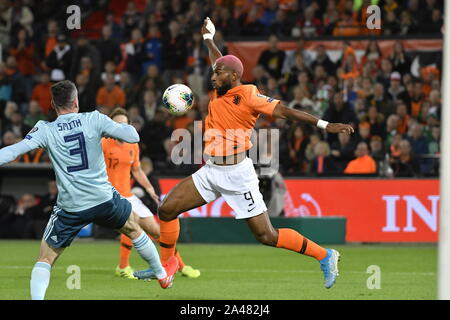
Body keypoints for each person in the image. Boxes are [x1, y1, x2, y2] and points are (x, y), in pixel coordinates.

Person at [133, 18, 354, 289]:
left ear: (234, 76)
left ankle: (325, 255)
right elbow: (219, 61)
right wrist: (208, 39)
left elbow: (285, 111)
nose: (212, 77)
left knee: (267, 235)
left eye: (218, 74)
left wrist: (325, 125)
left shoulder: (248, 94)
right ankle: (166, 266)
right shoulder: (221, 87)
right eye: (214, 73)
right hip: (211, 171)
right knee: (166, 209)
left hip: (238, 175)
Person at [0, 80, 178, 300]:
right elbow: (133, 136)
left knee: (45, 258)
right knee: (134, 229)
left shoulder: (44, 129)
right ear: (76, 101)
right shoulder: (94, 119)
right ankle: (161, 275)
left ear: (54, 106)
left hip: (71, 206)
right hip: (103, 199)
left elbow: (14, 151)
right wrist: (124, 125)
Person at [102, 107, 200, 279]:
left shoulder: (132, 144)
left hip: (127, 196)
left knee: (157, 232)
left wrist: (149, 189)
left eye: (124, 124)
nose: (121, 128)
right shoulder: (101, 143)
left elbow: (137, 170)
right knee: (132, 224)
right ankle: (123, 266)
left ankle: (180, 266)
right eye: (117, 125)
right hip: (108, 196)